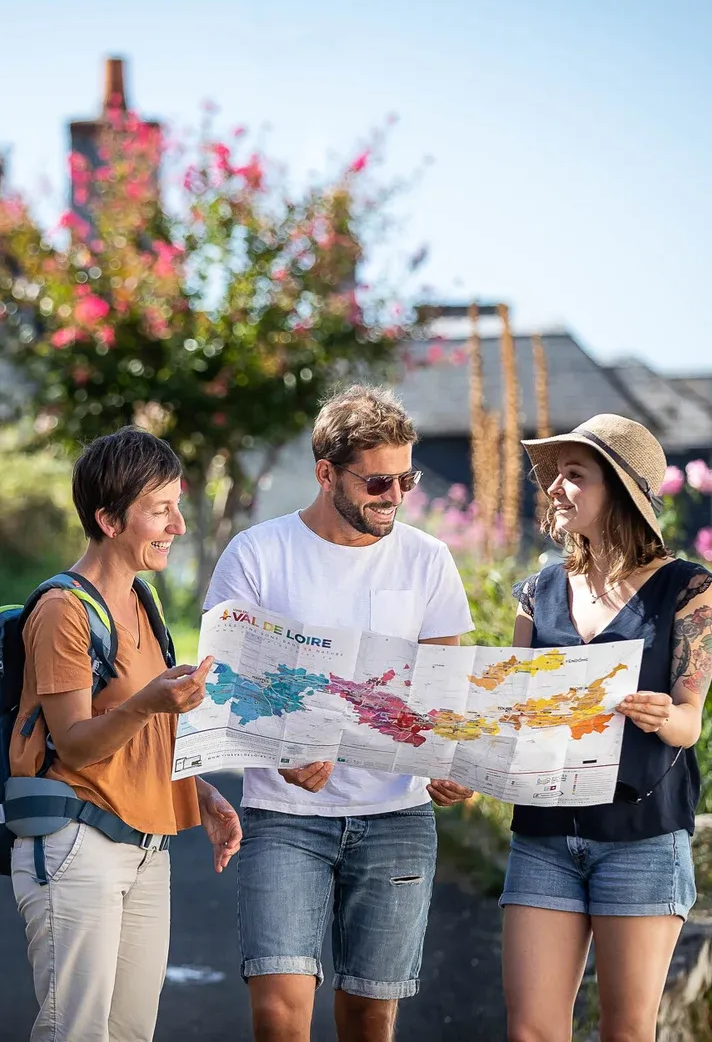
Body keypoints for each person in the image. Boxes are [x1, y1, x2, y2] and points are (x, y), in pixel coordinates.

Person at [205, 385, 475, 1042]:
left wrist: (453, 762)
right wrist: (281, 747)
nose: (396, 494)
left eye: (406, 477)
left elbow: (445, 696)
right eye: (379, 480)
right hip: (284, 817)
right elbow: (222, 682)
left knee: (370, 1015)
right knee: (277, 1011)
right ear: (326, 473)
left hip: (396, 818)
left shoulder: (428, 559)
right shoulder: (256, 553)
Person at [10, 427, 242, 1042]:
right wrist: (144, 703)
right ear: (109, 519)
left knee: (131, 1033)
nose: (178, 526)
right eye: (160, 510)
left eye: (177, 506)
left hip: (146, 850)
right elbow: (76, 744)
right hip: (74, 844)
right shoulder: (64, 609)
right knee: (75, 1032)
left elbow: (151, 736)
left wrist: (205, 796)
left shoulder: (142, 601)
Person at [500, 413, 712, 1042]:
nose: (556, 488)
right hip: (543, 836)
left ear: (620, 490)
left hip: (641, 839)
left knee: (625, 1031)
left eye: (574, 474)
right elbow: (510, 710)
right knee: (531, 1031)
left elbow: (689, 723)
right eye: (555, 476)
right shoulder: (537, 593)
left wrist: (663, 714)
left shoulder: (687, 590)